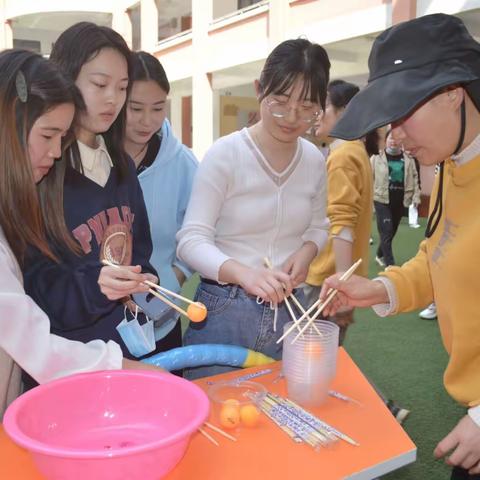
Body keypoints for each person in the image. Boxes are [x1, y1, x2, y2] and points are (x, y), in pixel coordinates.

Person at [320, 14, 480, 479]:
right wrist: (379, 289)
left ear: (453, 93)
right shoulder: (454, 165)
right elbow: (439, 254)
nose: (394, 136)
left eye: (402, 113)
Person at [0, 50, 160, 417]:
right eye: (48, 135)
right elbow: (32, 338)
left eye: (121, 87)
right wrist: (118, 366)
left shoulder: (122, 169)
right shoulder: (43, 195)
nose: (56, 152)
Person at [177, 38, 330, 379]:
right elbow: (191, 241)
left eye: (307, 108)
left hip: (291, 309)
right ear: (260, 89)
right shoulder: (225, 154)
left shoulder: (313, 160)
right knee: (216, 411)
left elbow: (320, 226)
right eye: (280, 101)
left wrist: (306, 252)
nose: (291, 117)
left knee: (282, 413)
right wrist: (245, 274)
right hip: (225, 307)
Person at [124, 51, 198, 347]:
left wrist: (175, 278)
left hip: (163, 318)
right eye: (135, 108)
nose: (147, 121)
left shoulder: (182, 164)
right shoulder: (95, 160)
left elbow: (200, 231)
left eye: (157, 108)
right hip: (103, 326)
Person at [304, 79, 378, 345]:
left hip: (328, 279)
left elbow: (342, 224)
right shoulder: (355, 151)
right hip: (338, 276)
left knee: (313, 354)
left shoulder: (344, 155)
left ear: (344, 112)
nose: (315, 114)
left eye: (323, 106)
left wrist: (340, 284)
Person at [371, 129, 421, 267]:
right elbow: (368, 178)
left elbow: (416, 178)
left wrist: (416, 197)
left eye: (396, 139)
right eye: (390, 139)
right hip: (381, 200)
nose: (393, 141)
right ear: (386, 141)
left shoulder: (409, 160)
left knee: (391, 232)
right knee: (386, 231)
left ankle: (380, 254)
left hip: (400, 200)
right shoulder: (376, 158)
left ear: (401, 142)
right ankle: (390, 265)